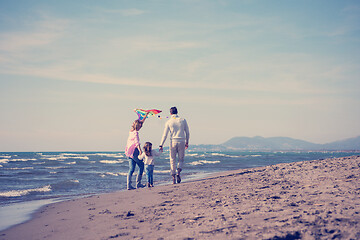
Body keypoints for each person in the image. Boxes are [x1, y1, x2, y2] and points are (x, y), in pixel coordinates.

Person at [159, 107, 190, 184]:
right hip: (182, 140)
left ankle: (173, 177)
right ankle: (178, 173)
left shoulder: (169, 122)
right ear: (177, 112)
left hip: (173, 141)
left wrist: (161, 145)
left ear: (170, 113)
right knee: (181, 159)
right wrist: (187, 142)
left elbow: (165, 135)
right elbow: (187, 132)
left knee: (172, 159)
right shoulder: (183, 120)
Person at [125, 112, 149, 190]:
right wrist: (140, 151)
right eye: (140, 126)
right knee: (141, 166)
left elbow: (140, 122)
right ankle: (138, 184)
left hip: (128, 152)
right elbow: (137, 143)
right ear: (138, 126)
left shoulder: (131, 131)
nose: (141, 127)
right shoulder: (135, 133)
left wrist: (145, 115)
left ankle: (129, 185)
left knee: (131, 169)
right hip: (135, 152)